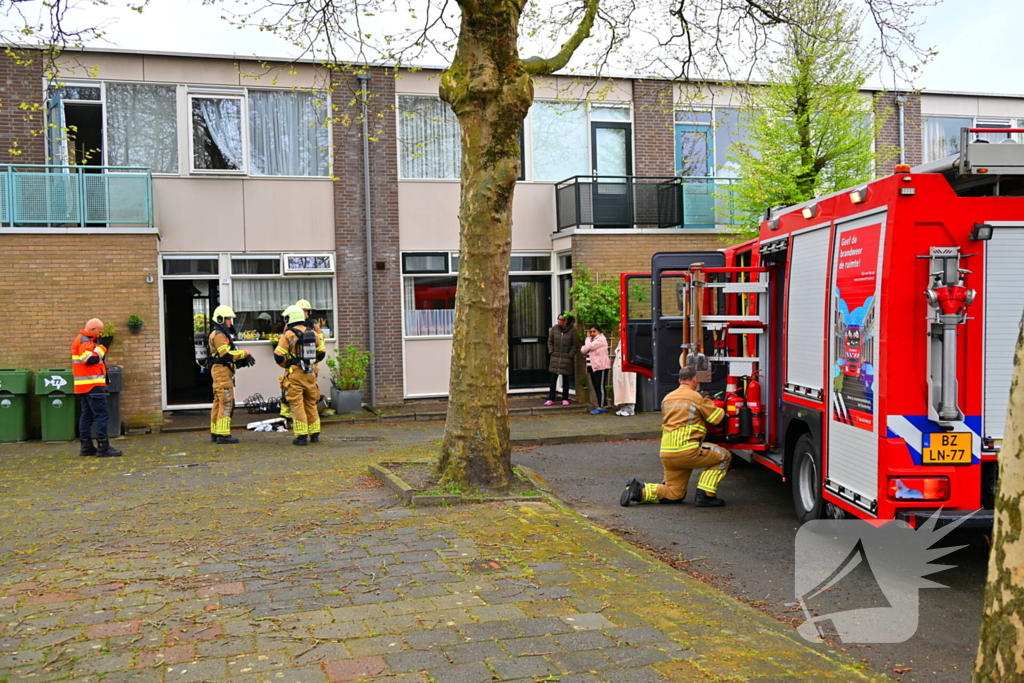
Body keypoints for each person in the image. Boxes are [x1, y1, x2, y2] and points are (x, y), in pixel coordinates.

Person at [619, 366, 731, 508]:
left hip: (667, 453)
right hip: (688, 450)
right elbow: (719, 420)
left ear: (679, 380)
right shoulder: (698, 398)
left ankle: (640, 491)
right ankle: (706, 495)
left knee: (674, 493)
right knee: (724, 456)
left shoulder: (667, 398)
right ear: (695, 380)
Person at [275, 305, 325, 446]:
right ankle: (314, 433)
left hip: (295, 374)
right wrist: (313, 363)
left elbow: (278, 357)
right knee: (311, 403)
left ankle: (301, 436)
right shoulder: (312, 333)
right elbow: (321, 353)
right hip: (310, 374)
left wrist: (288, 364)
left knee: (297, 404)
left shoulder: (288, 335)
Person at [72, 318, 122, 457]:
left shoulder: (82, 340)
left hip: (85, 386)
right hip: (93, 385)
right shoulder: (85, 341)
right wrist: (103, 347)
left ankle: (86, 447)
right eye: (99, 331)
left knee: (87, 416)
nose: (100, 334)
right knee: (101, 416)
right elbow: (89, 360)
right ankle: (103, 447)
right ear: (92, 329)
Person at [208, 305, 253, 444]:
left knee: (218, 401)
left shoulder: (219, 333)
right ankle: (223, 434)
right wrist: (244, 354)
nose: (230, 322)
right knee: (227, 401)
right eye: (228, 319)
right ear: (220, 319)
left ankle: (216, 432)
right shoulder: (219, 335)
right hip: (221, 371)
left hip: (220, 370)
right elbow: (226, 355)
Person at [545, 313, 579, 406]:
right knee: (553, 378)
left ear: (566, 321)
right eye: (558, 319)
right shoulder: (554, 329)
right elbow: (550, 341)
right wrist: (551, 351)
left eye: (561, 319)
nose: (559, 321)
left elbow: (575, 344)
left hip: (566, 358)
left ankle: (565, 398)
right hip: (555, 357)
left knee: (565, 378)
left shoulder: (572, 330)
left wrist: (570, 355)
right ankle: (551, 398)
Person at [580, 325, 610, 415]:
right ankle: (600, 405)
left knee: (600, 387)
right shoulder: (591, 341)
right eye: (591, 331)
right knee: (596, 387)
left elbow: (589, 347)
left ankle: (601, 406)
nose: (592, 333)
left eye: (594, 331)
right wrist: (588, 343)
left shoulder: (601, 339)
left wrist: (587, 339)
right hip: (592, 367)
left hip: (601, 367)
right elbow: (583, 350)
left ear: (599, 332)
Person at [612, 339, 637, 416]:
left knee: (629, 387)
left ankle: (630, 409)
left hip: (628, 367)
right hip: (620, 368)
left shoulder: (630, 339)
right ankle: (623, 407)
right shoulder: (620, 340)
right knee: (621, 388)